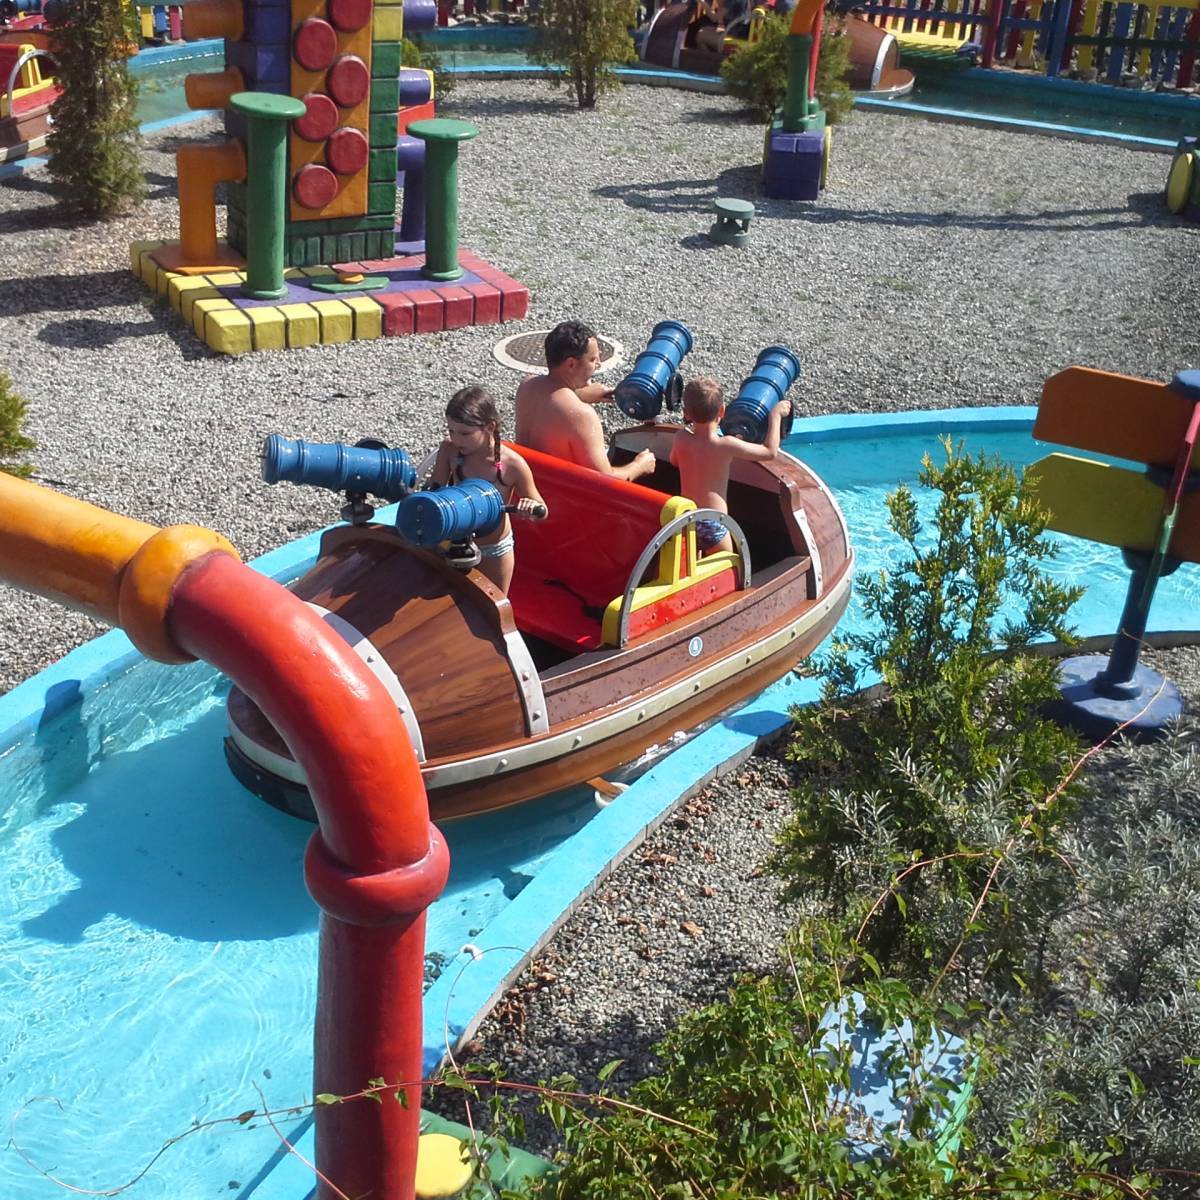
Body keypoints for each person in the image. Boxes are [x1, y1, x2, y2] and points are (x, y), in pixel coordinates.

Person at [428, 385, 547, 596]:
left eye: (465, 433)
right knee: (449, 605)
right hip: (455, 544)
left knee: (492, 608)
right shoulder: (449, 450)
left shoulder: (512, 465)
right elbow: (434, 490)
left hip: (494, 549)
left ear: (490, 426)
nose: (456, 439)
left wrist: (530, 507)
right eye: (451, 431)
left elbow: (542, 511)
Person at [515, 320, 656, 483]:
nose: (599, 364)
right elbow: (604, 481)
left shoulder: (527, 386)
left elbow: (551, 405)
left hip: (525, 485)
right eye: (593, 359)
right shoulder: (582, 416)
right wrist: (639, 466)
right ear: (571, 364)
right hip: (560, 492)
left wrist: (579, 394)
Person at [670, 376, 791, 554]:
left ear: (686, 413)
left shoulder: (681, 438)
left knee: (693, 565)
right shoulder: (726, 445)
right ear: (722, 411)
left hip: (686, 519)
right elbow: (769, 452)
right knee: (731, 568)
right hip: (713, 522)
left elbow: (674, 461)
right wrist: (776, 415)